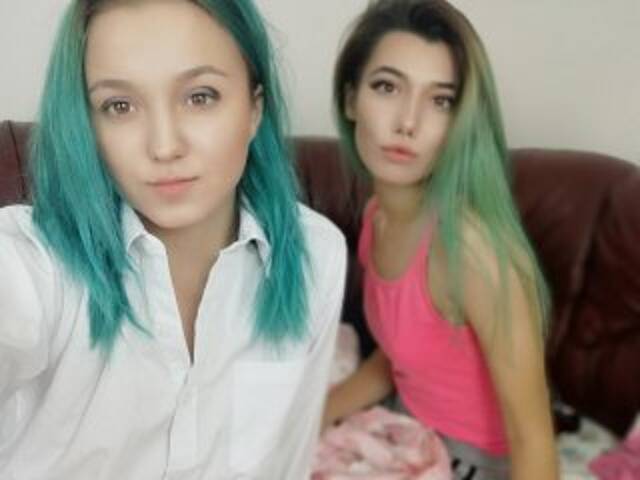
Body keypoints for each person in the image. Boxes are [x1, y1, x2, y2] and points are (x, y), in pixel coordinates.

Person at [0, 0, 346, 478]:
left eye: (200, 97)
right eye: (119, 106)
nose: (164, 146)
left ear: (254, 109)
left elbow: (284, 462)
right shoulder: (32, 261)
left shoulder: (317, 255)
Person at [323, 1, 559, 479]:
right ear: (350, 100)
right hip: (406, 423)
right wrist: (309, 416)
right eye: (387, 87)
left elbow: (533, 439)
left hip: (472, 460)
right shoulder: (376, 216)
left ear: (460, 123)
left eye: (441, 101)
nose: (408, 122)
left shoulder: (471, 251)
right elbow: (398, 360)